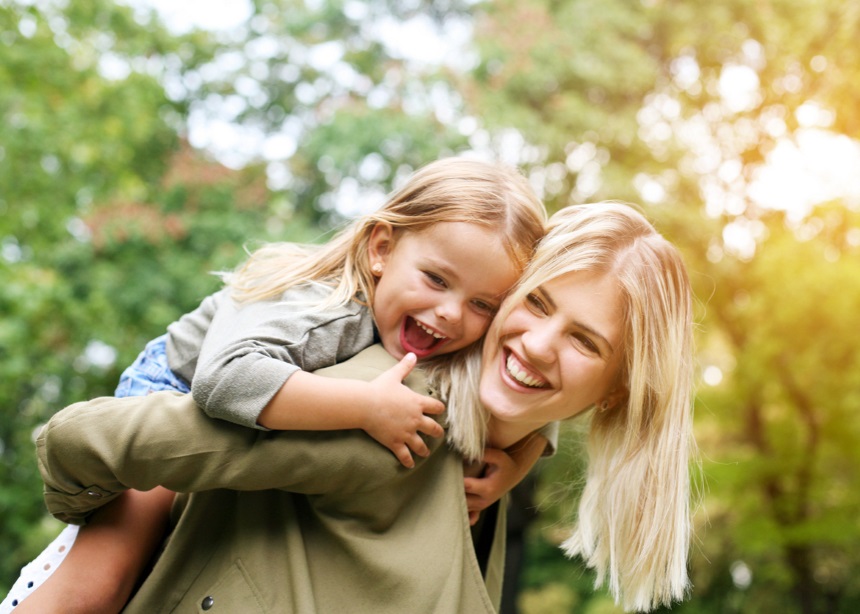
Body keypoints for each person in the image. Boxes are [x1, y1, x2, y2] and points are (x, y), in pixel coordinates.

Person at [28, 202, 695, 612]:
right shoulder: (389, 410)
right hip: (185, 378)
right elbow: (89, 439)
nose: (540, 344)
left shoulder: (488, 461)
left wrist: (523, 455)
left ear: (615, 391)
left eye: (584, 341)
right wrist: (86, 503)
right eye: (539, 304)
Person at [1, 156, 550, 612]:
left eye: (483, 304)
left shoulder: (444, 332)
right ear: (381, 249)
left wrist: (519, 461)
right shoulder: (321, 311)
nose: (452, 314)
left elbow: (534, 391)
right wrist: (364, 407)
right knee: (104, 579)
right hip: (178, 384)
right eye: (436, 279)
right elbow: (224, 380)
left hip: (254, 403)